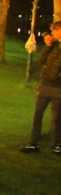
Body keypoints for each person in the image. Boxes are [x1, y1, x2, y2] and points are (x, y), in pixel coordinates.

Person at [20, 21, 61, 154]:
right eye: (52, 30)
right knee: (38, 114)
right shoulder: (53, 45)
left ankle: (56, 144)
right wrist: (47, 45)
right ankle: (34, 143)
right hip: (45, 85)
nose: (52, 33)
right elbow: (42, 61)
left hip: (58, 88)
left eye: (55, 30)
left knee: (56, 117)